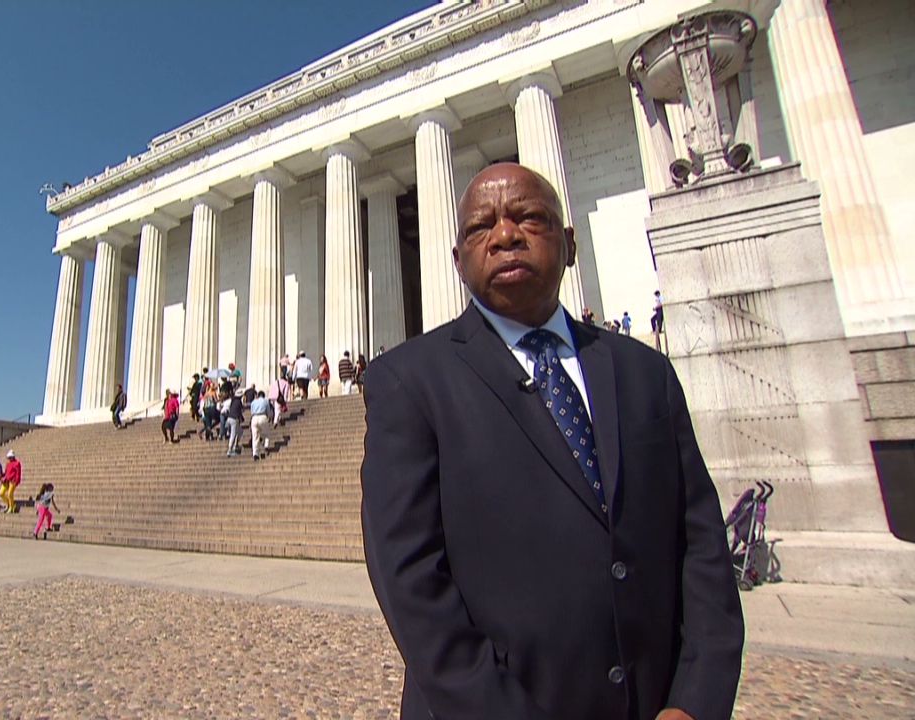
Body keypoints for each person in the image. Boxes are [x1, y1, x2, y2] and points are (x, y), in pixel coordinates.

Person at [361, 163, 743, 720]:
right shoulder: (409, 381)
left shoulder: (644, 373)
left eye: (528, 218)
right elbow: (410, 578)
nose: (505, 236)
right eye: (479, 228)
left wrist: (694, 703)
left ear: (568, 245)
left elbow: (702, 544)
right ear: (457, 262)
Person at [249, 391, 273, 461]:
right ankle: (266, 446)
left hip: (254, 418)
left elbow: (251, 411)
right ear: (263, 395)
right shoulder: (265, 401)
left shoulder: (253, 402)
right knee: (266, 434)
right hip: (263, 416)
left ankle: (255, 453)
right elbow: (268, 411)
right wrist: (269, 417)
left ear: (258, 395)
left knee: (255, 437)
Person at [224, 389, 245, 457]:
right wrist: (241, 418)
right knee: (233, 434)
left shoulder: (233, 400)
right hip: (234, 419)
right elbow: (240, 411)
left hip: (229, 418)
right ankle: (230, 450)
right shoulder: (239, 401)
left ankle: (235, 445)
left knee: (240, 431)